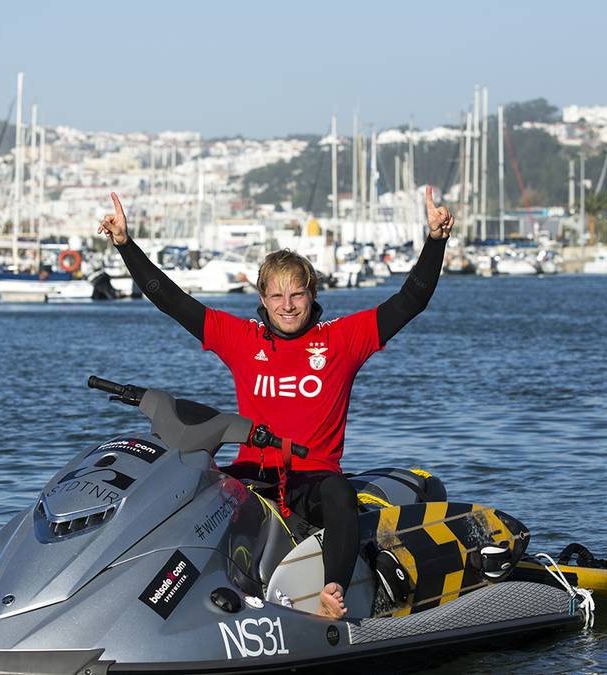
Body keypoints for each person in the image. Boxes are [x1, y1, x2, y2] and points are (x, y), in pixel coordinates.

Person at [99, 188, 452, 619]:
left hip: (313, 479)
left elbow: (411, 300)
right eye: (277, 296)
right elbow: (171, 300)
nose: (287, 306)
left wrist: (435, 240)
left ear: (312, 294)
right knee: (183, 485)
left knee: (340, 494)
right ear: (263, 300)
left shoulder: (343, 339)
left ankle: (333, 591)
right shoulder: (242, 339)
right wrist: (125, 244)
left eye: (297, 295)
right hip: (252, 474)